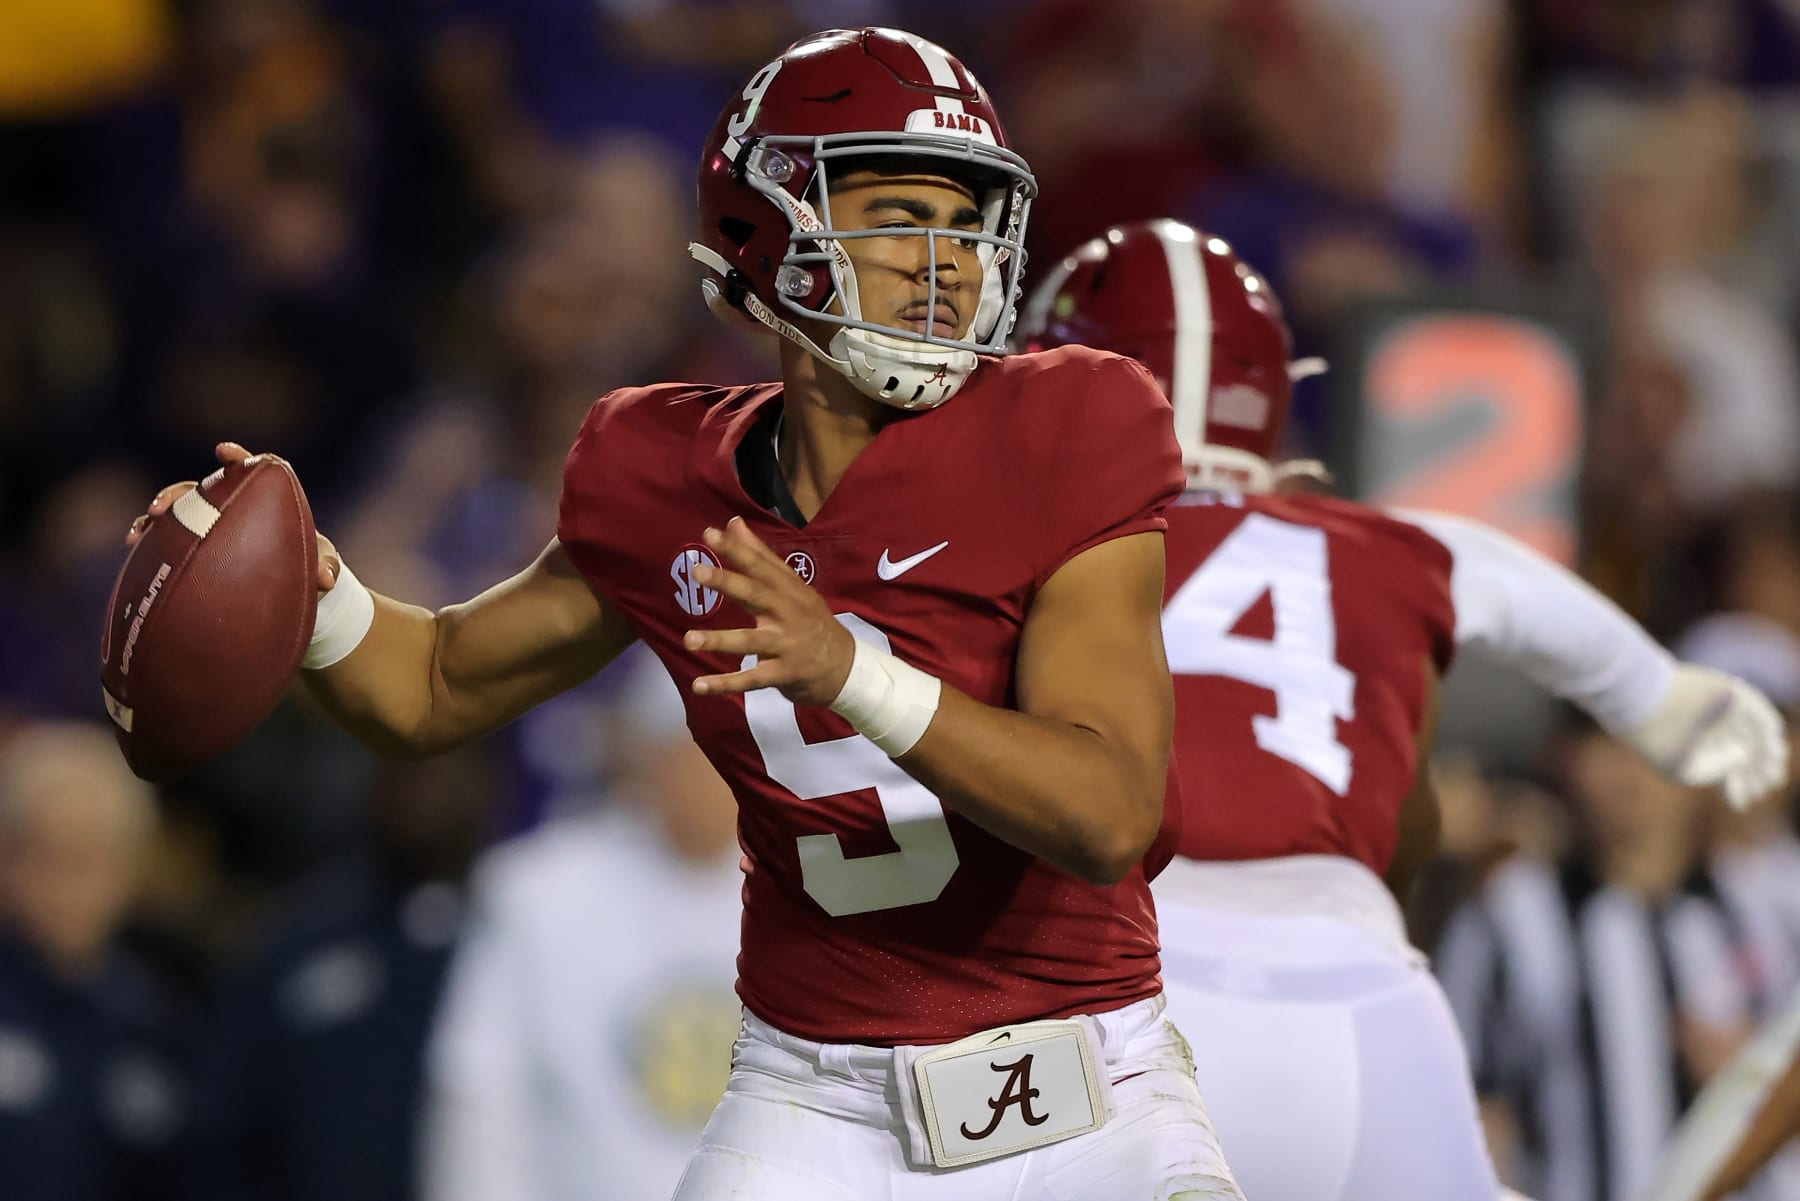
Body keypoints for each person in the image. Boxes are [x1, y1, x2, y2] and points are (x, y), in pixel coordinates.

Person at [128, 29, 1242, 1201]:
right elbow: (432, 685)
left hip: (1087, 1090)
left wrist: (849, 670)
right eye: (900, 213)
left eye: (969, 223)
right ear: (770, 231)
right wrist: (313, 596)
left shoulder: (1067, 423)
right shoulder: (657, 468)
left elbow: (1111, 811)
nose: (948, 260)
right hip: (819, 1098)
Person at [1016, 217, 1790, 1201]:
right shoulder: (1388, 543)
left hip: (1113, 991)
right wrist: (1657, 695)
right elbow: (1525, 595)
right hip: (1359, 990)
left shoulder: (1014, 548)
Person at [419, 653, 744, 1201]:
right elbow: (479, 1099)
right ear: (646, 755)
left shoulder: (807, 896)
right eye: (689, 750)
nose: (708, 775)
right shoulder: (537, 890)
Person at [0, 722, 188, 1201]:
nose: (65, 886)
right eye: (46, 855)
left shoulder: (159, 1022)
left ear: (131, 870)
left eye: (89, 860)